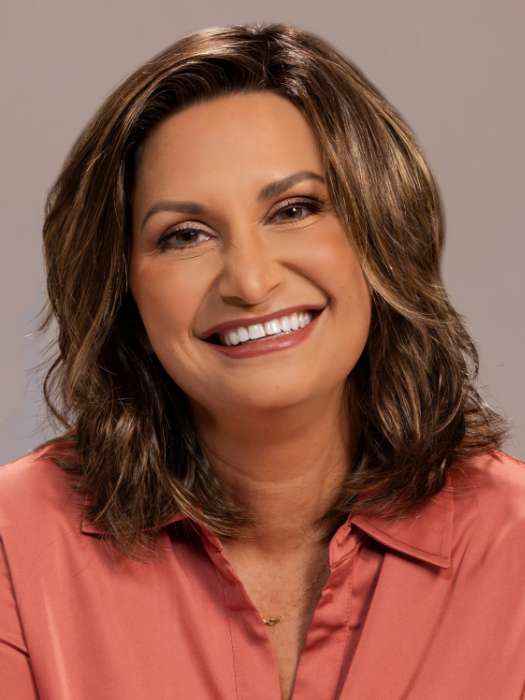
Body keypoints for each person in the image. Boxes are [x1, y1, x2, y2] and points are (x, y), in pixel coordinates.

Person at [1, 20, 524, 700]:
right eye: (184, 235)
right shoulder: (14, 549)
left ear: (380, 230)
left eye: (294, 209)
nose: (249, 281)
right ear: (122, 285)